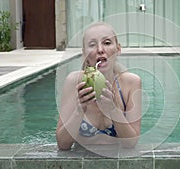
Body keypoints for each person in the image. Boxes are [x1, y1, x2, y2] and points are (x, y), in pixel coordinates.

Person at [56, 22, 142, 150]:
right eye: (92, 45)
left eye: (107, 43)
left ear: (118, 49)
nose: (100, 49)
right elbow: (62, 145)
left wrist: (113, 109)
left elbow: (130, 143)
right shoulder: (74, 82)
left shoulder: (131, 83)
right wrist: (79, 110)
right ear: (84, 53)